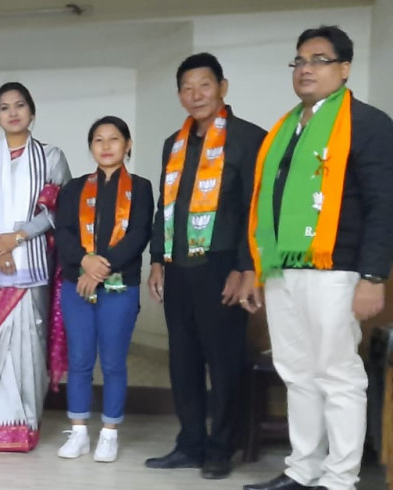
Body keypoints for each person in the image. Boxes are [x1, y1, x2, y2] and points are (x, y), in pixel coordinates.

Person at [242, 26, 393, 490]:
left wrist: (373, 275)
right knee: (297, 373)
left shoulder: (367, 123)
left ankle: (339, 479)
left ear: (344, 69)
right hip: (284, 269)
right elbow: (268, 200)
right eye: (300, 61)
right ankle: (303, 470)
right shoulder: (287, 129)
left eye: (319, 59)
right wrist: (257, 266)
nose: (306, 68)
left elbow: (383, 203)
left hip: (338, 269)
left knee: (337, 375)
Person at [144, 52, 267, 480]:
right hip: (179, 268)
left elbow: (256, 209)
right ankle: (190, 442)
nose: (195, 95)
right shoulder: (172, 145)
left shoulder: (250, 139)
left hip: (222, 267)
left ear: (223, 88)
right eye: (187, 87)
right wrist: (157, 259)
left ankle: (222, 444)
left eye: (205, 85)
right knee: (183, 359)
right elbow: (166, 207)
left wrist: (245, 267)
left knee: (224, 359)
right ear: (179, 94)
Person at [0, 82, 71, 452]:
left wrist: (17, 238)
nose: (13, 112)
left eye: (20, 105)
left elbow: (59, 208)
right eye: (4, 107)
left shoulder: (52, 157)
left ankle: (25, 425)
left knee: (29, 346)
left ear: (32, 112)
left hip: (32, 267)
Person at [54, 116, 152, 463]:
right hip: (76, 285)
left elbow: (139, 235)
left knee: (112, 362)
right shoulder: (74, 188)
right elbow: (63, 232)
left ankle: (109, 432)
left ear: (127, 145)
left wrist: (98, 268)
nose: (106, 146)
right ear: (91, 146)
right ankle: (79, 431)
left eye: (114, 139)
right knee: (79, 361)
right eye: (98, 139)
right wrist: (84, 261)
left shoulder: (140, 188)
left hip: (118, 287)